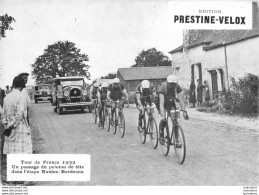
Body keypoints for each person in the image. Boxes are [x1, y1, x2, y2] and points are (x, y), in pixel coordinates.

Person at [1, 76, 34, 185]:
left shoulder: (6, 97)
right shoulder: (21, 97)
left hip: (9, 130)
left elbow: (3, 115)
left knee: (12, 154)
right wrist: (12, 126)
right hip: (19, 127)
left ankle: (14, 178)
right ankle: (24, 180)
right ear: (23, 85)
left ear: (14, 84)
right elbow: (20, 114)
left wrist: (6, 126)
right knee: (23, 153)